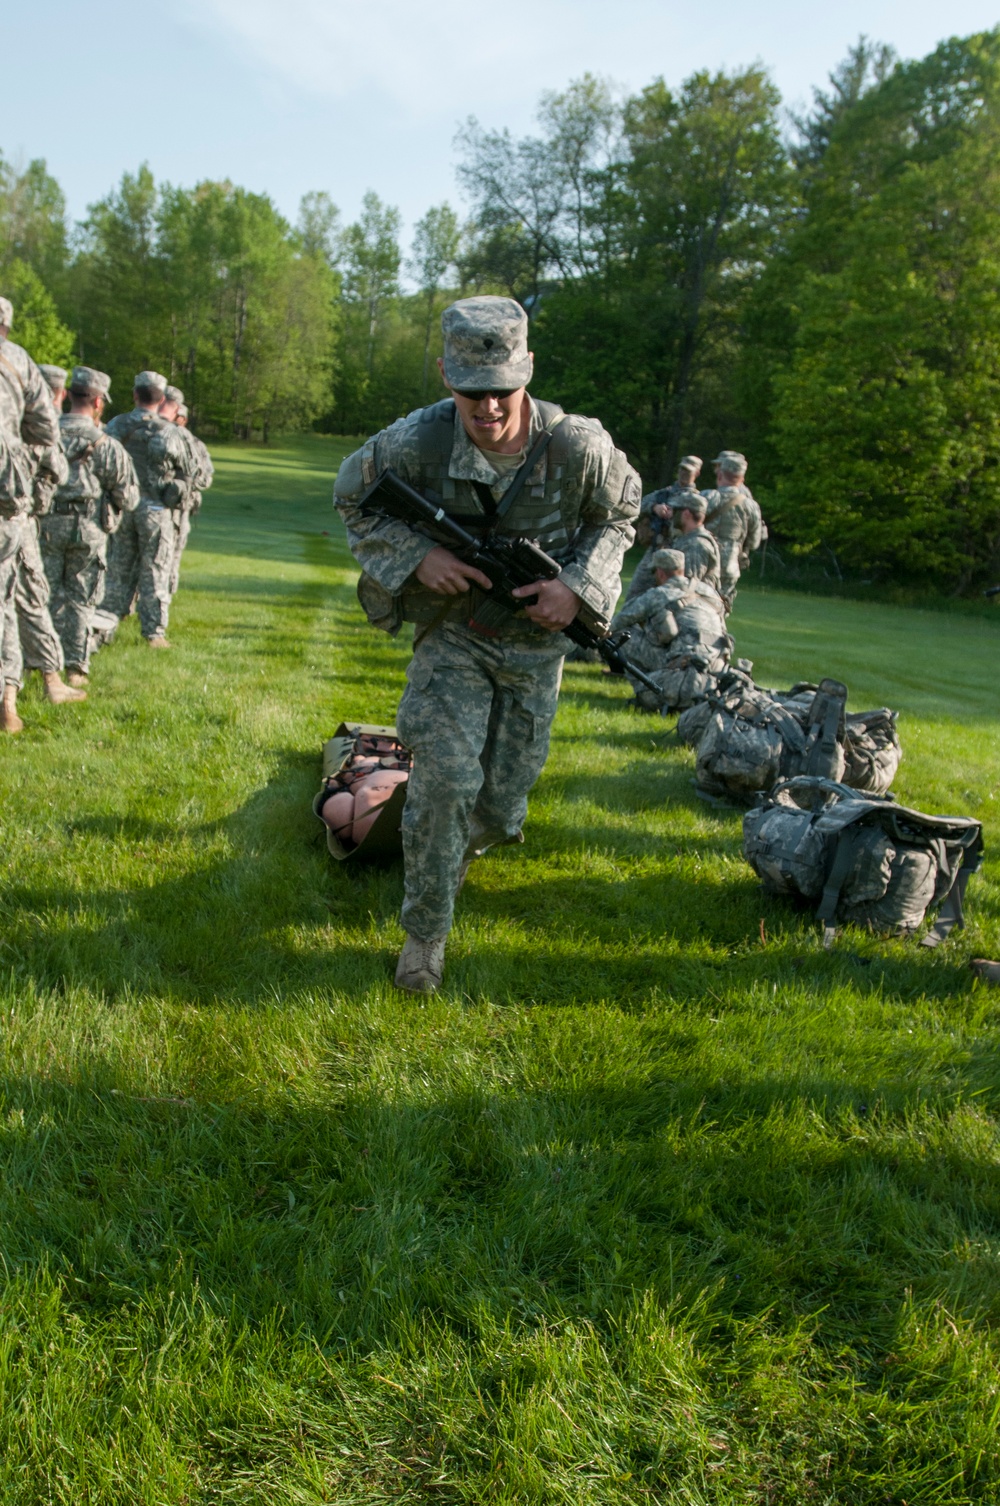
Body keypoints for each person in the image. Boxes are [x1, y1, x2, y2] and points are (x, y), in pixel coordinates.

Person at [335, 295, 640, 993]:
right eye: (472, 393)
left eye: (502, 391)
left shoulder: (577, 447)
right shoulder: (418, 441)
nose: (489, 409)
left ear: (526, 373)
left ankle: (446, 850)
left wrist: (578, 588)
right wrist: (417, 559)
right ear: (446, 375)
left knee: (500, 808)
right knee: (445, 780)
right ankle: (424, 939)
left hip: (535, 648)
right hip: (455, 638)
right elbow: (351, 495)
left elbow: (621, 513)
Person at [0, 296, 74, 732]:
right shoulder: (16, 361)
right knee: (8, 599)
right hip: (7, 502)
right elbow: (47, 434)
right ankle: (8, 701)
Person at [40, 366, 139, 685]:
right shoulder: (107, 445)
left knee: (45, 596)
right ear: (98, 403)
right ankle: (76, 667)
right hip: (88, 528)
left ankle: (44, 665)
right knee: (82, 599)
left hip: (45, 525)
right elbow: (128, 496)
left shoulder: (44, 434)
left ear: (68, 396)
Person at [101, 369, 194, 648]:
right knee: (155, 569)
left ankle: (105, 626)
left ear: (135, 394)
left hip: (122, 508)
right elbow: (188, 473)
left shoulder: (116, 425)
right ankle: (154, 632)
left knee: (117, 569)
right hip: (156, 509)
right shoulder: (171, 432)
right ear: (162, 398)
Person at [613, 548, 730, 711]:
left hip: (682, 668)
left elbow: (619, 621)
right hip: (718, 667)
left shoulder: (659, 593)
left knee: (623, 635)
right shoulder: (710, 592)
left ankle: (645, 690)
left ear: (660, 573)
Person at [623, 455, 702, 605]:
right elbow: (636, 505)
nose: (684, 473)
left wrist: (676, 516)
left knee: (674, 602)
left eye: (689, 471)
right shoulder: (664, 494)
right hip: (656, 551)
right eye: (682, 469)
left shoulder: (697, 500)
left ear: (697, 473)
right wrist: (654, 508)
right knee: (634, 595)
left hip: (679, 556)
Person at [159, 386, 213, 595]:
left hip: (178, 510)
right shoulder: (152, 432)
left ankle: (166, 596)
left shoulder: (194, 444)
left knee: (171, 558)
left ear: (184, 419)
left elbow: (205, 477)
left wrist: (182, 481)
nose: (174, 419)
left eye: (179, 416)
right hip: (152, 506)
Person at [701, 450, 764, 609]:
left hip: (703, 562)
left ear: (720, 474)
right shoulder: (751, 505)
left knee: (698, 607)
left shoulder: (707, 498)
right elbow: (754, 542)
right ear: (741, 479)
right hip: (730, 566)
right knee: (720, 610)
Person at [673, 491, 722, 596]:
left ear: (686, 514)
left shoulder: (696, 545)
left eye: (676, 511)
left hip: (694, 608)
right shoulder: (688, 539)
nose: (672, 515)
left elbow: (688, 588)